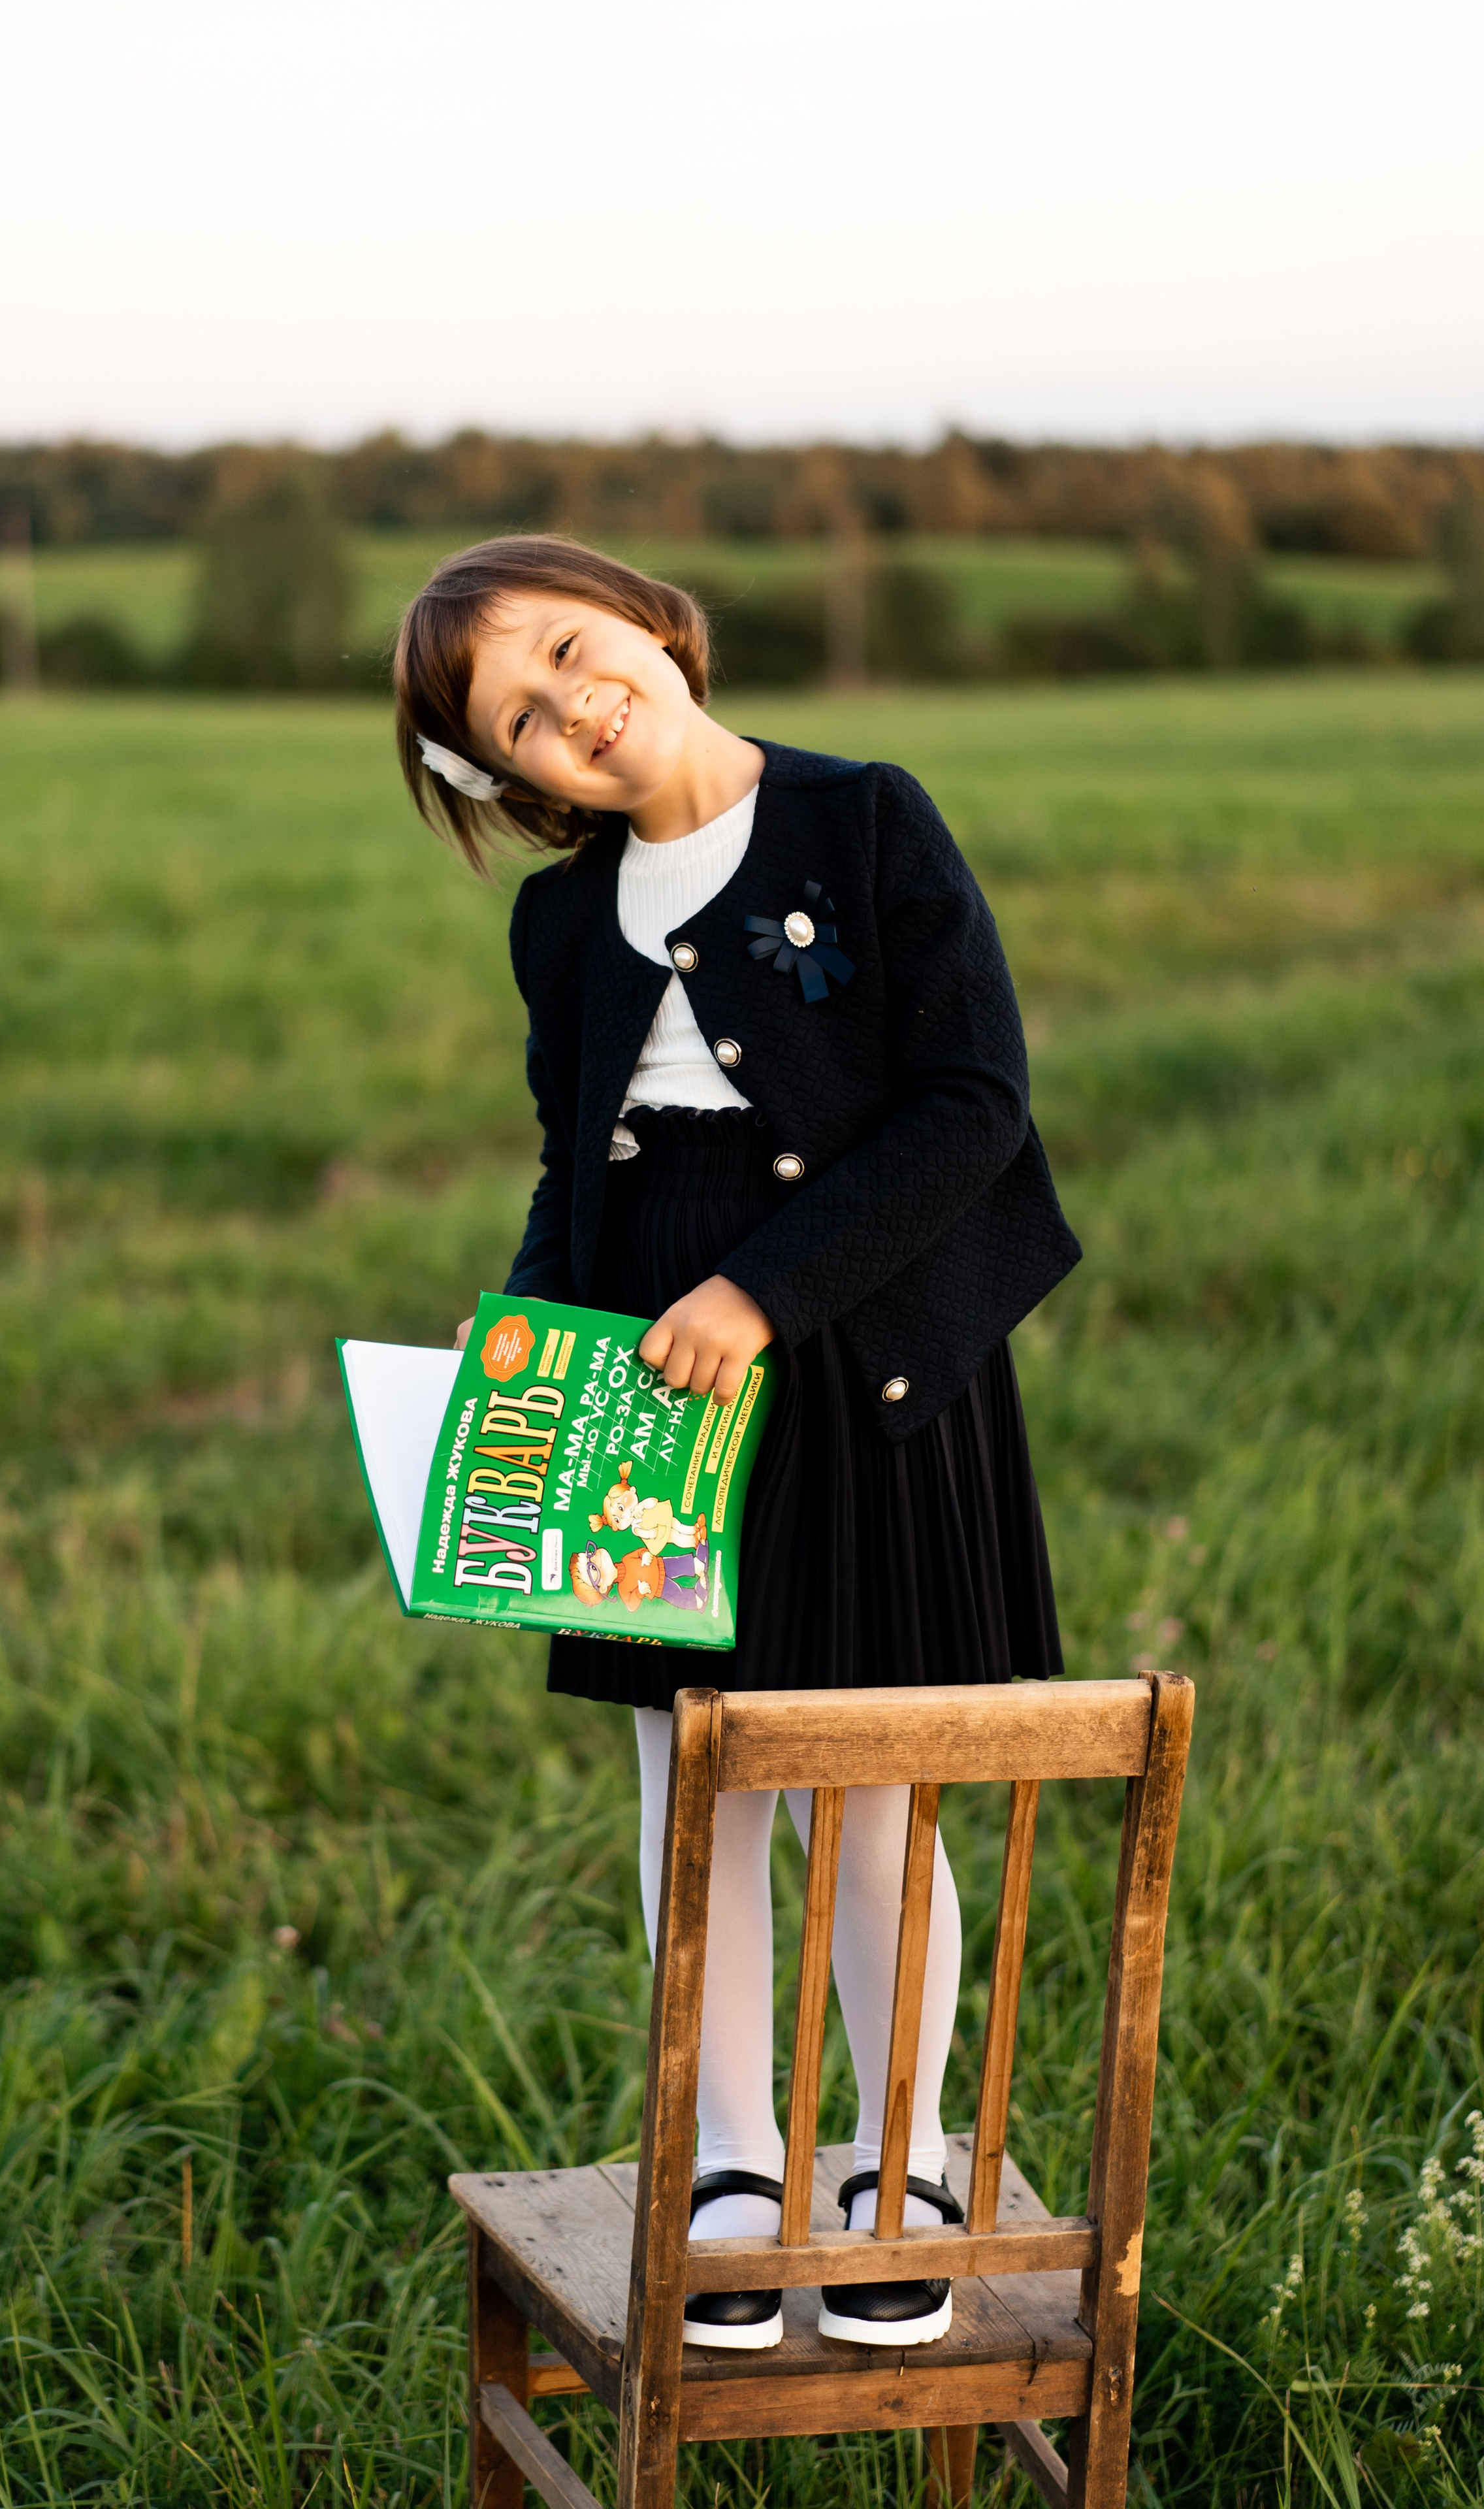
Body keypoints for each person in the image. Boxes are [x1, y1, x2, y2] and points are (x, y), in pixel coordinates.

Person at [393, 538, 1079, 2355]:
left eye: (568, 647)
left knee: (870, 1778)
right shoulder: (562, 921)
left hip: (865, 1359)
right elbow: (571, 1159)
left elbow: (972, 1106)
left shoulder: (865, 821)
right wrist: (530, 1323)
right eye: (518, 717)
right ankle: (729, 2156)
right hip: (640, 1388)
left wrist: (763, 1295)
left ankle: (905, 2160)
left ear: (646, 617)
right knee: (696, 1779)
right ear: (510, 779)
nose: (570, 704)